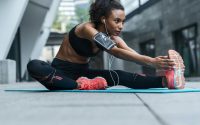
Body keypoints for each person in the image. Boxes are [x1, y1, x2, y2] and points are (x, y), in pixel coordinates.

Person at [27, 0, 185, 90]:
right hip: (60, 73)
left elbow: (134, 55)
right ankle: (80, 85)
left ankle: (167, 81)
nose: (121, 26)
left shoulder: (113, 36)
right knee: (34, 65)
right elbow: (115, 52)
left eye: (122, 21)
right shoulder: (87, 29)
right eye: (117, 21)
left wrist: (159, 62)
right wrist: (151, 62)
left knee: (120, 75)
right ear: (103, 19)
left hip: (84, 74)